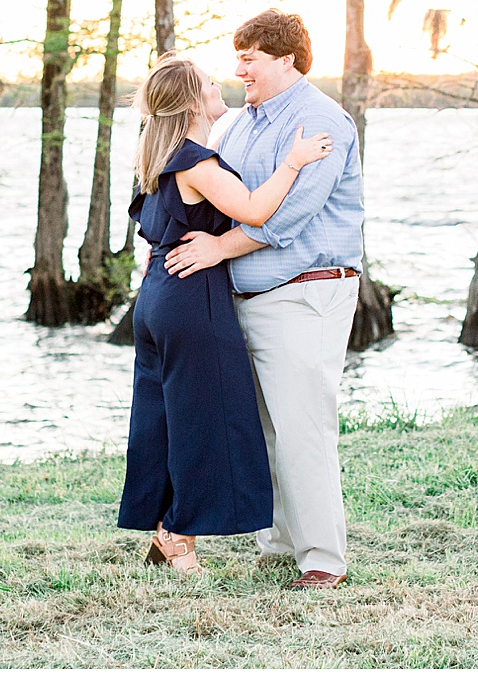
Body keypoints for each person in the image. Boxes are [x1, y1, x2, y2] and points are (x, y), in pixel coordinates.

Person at [162, 10, 364, 590]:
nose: (239, 70)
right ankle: (277, 547)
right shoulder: (238, 125)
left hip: (306, 292)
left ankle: (323, 560)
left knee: (303, 428)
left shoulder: (319, 121)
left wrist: (217, 250)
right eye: (238, 58)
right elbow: (219, 198)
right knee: (264, 430)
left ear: (286, 60)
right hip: (245, 295)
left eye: (249, 58)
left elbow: (289, 214)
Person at [118, 53, 336, 574]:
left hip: (156, 296)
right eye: (209, 82)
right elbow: (256, 210)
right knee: (207, 422)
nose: (221, 83)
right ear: (193, 102)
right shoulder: (196, 162)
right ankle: (179, 537)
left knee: (166, 418)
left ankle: (168, 531)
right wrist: (294, 162)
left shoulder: (158, 158)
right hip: (192, 300)